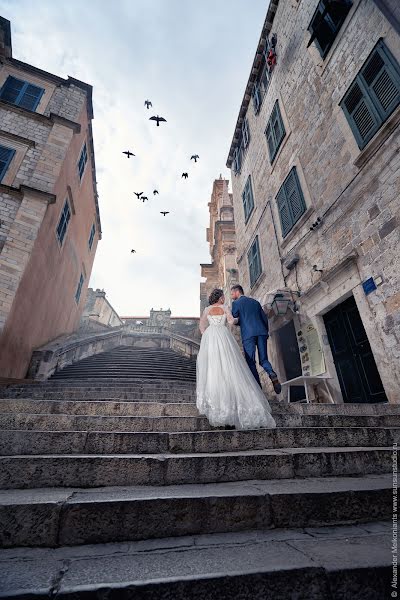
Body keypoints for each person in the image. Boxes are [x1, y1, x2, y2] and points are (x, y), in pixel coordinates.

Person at [196, 288, 276, 430]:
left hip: (211, 338)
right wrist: (242, 318)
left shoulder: (207, 310)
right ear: (220, 298)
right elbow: (232, 321)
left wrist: (206, 334)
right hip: (224, 335)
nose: (225, 298)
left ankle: (218, 406)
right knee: (230, 366)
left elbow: (201, 325)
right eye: (223, 297)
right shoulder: (225, 307)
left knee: (214, 368)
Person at [231, 284, 282, 395]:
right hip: (261, 332)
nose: (231, 296)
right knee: (264, 360)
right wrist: (266, 332)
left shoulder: (236, 303)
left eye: (232, 293)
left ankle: (258, 389)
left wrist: (240, 321)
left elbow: (235, 316)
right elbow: (264, 318)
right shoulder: (255, 302)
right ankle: (271, 373)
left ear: (237, 292)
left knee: (251, 362)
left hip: (248, 335)